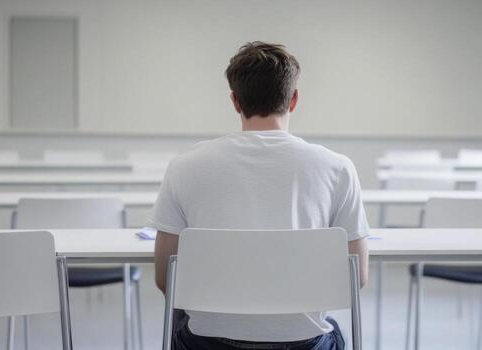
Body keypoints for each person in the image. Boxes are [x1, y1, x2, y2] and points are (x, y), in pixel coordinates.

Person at [150, 41, 369, 350]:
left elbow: (166, 278)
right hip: (303, 343)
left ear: (235, 102)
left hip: (209, 342)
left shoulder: (184, 166)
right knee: (332, 329)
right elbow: (355, 279)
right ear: (293, 100)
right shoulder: (338, 168)